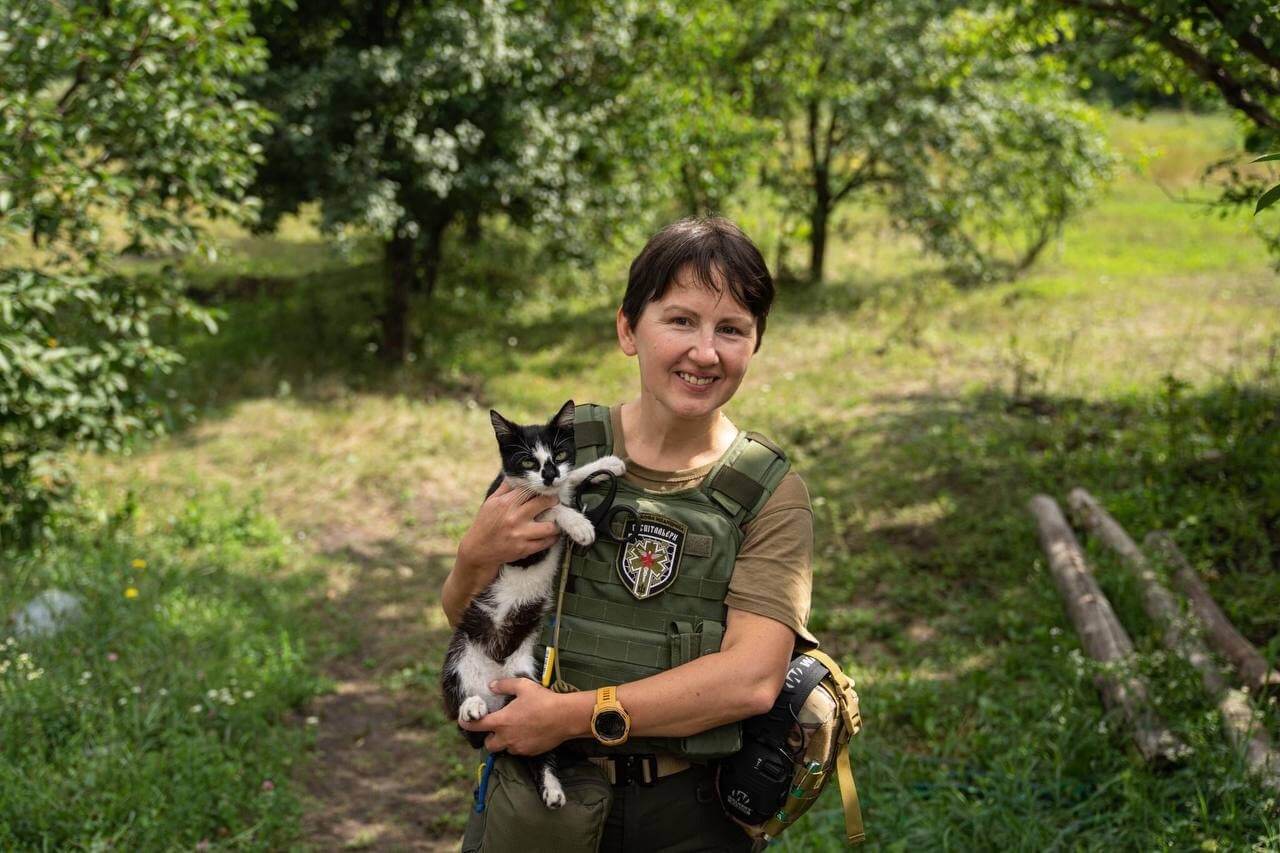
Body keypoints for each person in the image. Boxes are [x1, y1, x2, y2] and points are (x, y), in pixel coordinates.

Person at [441, 216, 817, 852]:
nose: (705, 352)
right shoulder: (562, 452)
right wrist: (473, 555)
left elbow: (751, 678)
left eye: (732, 329)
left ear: (755, 344)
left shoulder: (769, 492)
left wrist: (565, 717)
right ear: (627, 330)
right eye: (680, 321)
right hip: (536, 808)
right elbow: (468, 617)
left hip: (690, 815)